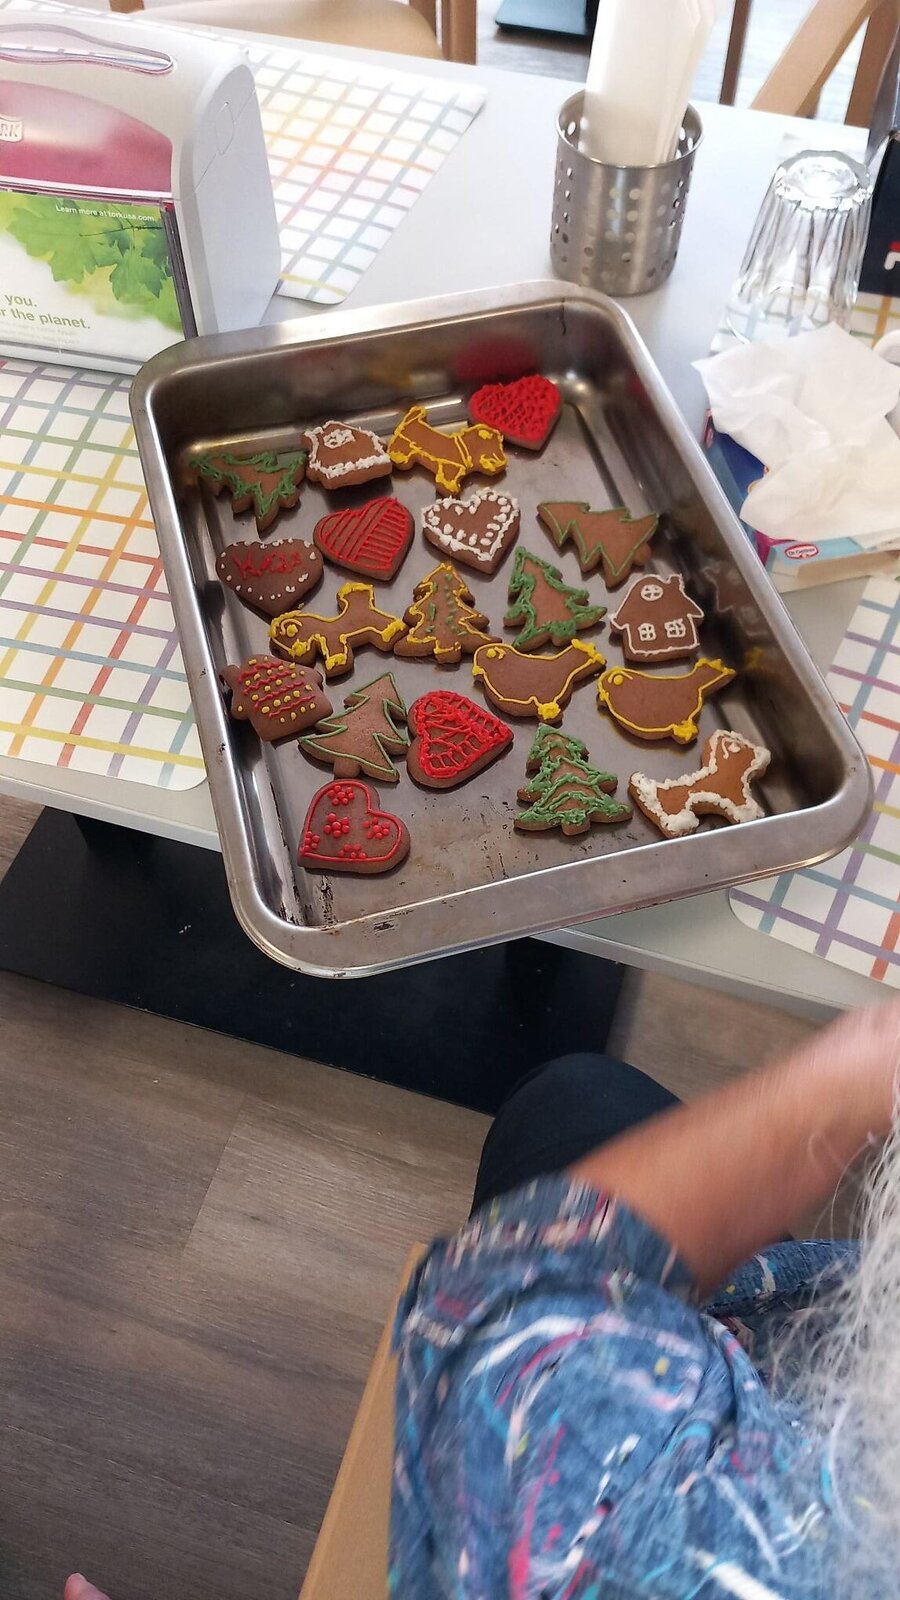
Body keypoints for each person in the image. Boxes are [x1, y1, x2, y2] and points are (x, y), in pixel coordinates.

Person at [66, 1003, 900, 1599]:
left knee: (567, 1105)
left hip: (689, 1408)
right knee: (580, 1099)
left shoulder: (723, 1556)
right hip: (807, 1351)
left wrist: (850, 1079)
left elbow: (511, 1317)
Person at [392, 1002, 900, 1599]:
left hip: (733, 1420)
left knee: (567, 1100)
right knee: (585, 1099)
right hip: (821, 1342)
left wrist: (863, 1070)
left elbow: (511, 1334)